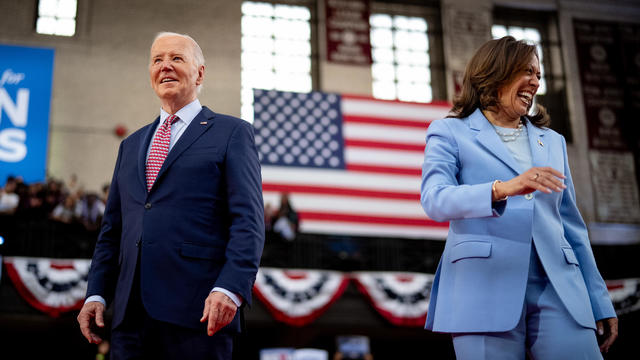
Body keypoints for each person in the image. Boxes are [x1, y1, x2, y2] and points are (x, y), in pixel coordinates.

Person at [420, 36, 617, 359]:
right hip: (483, 285)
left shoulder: (552, 142)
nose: (536, 82)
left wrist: (599, 299)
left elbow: (572, 227)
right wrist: (503, 188)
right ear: (496, 73)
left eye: (539, 75)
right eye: (527, 71)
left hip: (561, 288)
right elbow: (435, 199)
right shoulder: (449, 132)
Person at [77, 32, 265, 359]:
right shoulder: (131, 145)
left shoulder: (232, 132)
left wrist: (231, 288)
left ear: (200, 73)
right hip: (129, 318)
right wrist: (96, 294)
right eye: (157, 60)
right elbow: (112, 232)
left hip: (199, 311)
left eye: (176, 58)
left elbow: (248, 221)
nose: (165, 66)